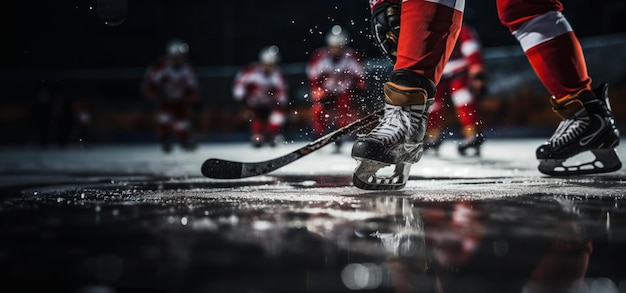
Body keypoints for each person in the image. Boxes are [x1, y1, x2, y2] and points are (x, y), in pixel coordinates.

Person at [352, 0, 622, 190]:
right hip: (441, 73)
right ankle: (585, 113)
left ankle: (408, 113)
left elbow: (472, 51)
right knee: (525, 4)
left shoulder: (466, 32)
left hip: (454, 74)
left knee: (463, 101)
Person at [425, 23, 488, 156]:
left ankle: (473, 132)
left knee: (463, 98)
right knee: (432, 103)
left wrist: (477, 73)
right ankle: (432, 134)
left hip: (459, 70)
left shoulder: (461, 28)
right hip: (438, 71)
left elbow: (471, 48)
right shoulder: (432, 29)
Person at [306, 25, 368, 153]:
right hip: (326, 92)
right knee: (319, 110)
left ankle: (341, 135)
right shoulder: (320, 57)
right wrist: (319, 94)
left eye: (339, 46)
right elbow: (313, 79)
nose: (336, 50)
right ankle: (318, 135)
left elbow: (360, 77)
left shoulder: (351, 57)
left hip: (344, 92)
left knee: (345, 109)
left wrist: (359, 89)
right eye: (334, 46)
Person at [142, 38, 199, 153]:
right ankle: (165, 140)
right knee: (164, 118)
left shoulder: (187, 68)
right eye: (177, 56)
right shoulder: (162, 66)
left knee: (182, 122)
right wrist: (152, 92)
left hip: (180, 100)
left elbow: (191, 85)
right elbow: (152, 82)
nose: (179, 59)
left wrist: (192, 95)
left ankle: (184, 140)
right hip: (165, 98)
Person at [233, 45, 288, 148]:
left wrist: (278, 102)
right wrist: (242, 103)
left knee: (278, 116)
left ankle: (273, 134)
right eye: (267, 64)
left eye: (271, 64)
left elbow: (282, 95)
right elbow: (239, 87)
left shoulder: (277, 75)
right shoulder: (250, 71)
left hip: (269, 105)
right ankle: (257, 135)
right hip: (253, 105)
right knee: (255, 119)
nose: (269, 67)